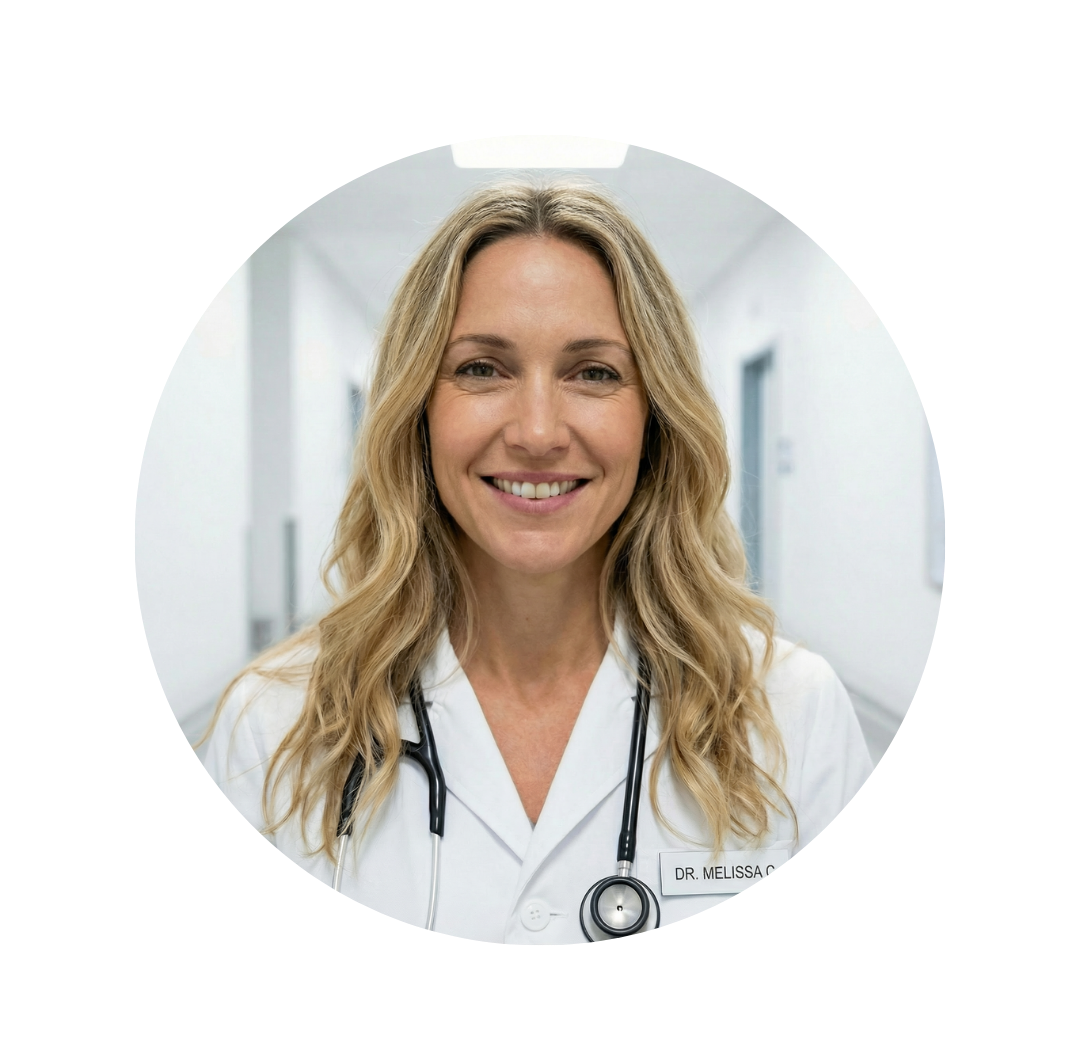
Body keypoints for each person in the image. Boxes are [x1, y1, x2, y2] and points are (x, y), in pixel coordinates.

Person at [203, 178, 872, 943]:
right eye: (482, 368)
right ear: (418, 410)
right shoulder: (273, 724)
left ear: (655, 417)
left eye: (594, 373)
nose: (538, 432)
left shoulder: (793, 713)